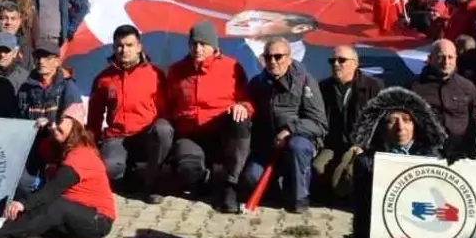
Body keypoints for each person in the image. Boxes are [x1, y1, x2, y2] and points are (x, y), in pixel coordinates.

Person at [0, 103, 115, 238]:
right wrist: (41, 130)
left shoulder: (82, 155)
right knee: (31, 215)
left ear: (74, 129)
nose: (54, 127)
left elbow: (52, 190)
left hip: (96, 221)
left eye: (59, 125)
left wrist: (23, 204)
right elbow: (39, 150)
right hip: (70, 214)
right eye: (54, 124)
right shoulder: (59, 146)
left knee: (54, 206)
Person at [335, 86, 449, 238]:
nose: (400, 128)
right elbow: (362, 214)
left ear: (416, 124)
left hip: (422, 236)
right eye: (391, 121)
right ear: (380, 127)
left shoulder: (434, 159)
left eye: (407, 120)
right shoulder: (367, 161)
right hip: (382, 237)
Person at [160, 21, 253, 214]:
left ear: (214, 46)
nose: (198, 48)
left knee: (241, 121)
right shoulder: (177, 70)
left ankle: (230, 184)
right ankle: (203, 178)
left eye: (203, 44)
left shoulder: (232, 67)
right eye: (194, 44)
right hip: (190, 135)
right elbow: (167, 104)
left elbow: (248, 99)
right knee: (188, 173)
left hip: (222, 134)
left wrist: (243, 106)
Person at [87, 25, 171, 202]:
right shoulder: (103, 79)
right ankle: (128, 177)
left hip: (146, 134)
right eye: (119, 46)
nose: (124, 50)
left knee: (163, 130)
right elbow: (94, 117)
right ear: (113, 48)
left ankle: (153, 184)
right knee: (108, 168)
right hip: (117, 137)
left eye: (129, 45)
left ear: (139, 47)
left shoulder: (155, 74)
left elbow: (166, 111)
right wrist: (91, 147)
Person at [243, 37, 327, 213]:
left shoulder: (306, 81)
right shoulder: (258, 83)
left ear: (289, 58)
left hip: (298, 142)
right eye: (268, 57)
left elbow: (319, 123)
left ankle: (300, 198)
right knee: (251, 178)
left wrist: (290, 130)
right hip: (269, 145)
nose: (273, 61)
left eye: (278, 56)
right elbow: (249, 106)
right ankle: (278, 188)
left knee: (298, 146)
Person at [312, 44, 382, 203]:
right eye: (332, 61)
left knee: (344, 178)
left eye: (341, 60)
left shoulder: (373, 87)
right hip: (331, 144)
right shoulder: (323, 87)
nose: (336, 64)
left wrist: (364, 145)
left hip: (359, 145)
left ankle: (347, 197)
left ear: (355, 64)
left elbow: (381, 122)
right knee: (317, 168)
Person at [410, 39, 476, 160]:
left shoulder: (468, 87)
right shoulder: (413, 87)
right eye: (440, 57)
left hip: (459, 154)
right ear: (430, 58)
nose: (446, 62)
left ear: (456, 58)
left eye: (450, 57)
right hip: (423, 153)